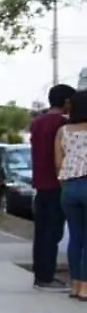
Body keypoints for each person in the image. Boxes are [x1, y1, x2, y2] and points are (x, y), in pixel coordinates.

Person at [29, 85, 74, 292]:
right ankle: (47, 276)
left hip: (40, 184)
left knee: (41, 232)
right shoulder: (64, 125)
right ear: (66, 101)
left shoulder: (37, 123)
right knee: (53, 233)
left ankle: (40, 275)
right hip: (58, 183)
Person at [54, 90, 87, 300]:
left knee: (76, 237)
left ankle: (75, 285)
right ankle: (85, 287)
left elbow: (58, 163)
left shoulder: (62, 131)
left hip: (68, 187)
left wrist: (65, 182)